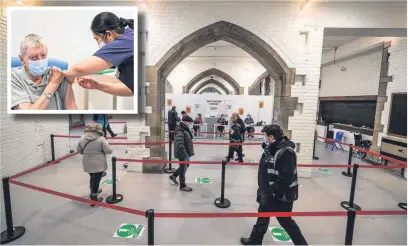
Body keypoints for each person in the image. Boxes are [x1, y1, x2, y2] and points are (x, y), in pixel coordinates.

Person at [240, 124, 307, 245]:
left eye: (265, 136)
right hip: (268, 192)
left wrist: (273, 191)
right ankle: (255, 240)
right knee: (263, 216)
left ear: (271, 137)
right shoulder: (272, 147)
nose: (264, 138)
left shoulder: (286, 152)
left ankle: (302, 244)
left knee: (285, 221)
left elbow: (285, 178)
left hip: (280, 195)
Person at [63, 12, 134, 96]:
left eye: (97, 39)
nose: (98, 44)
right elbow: (132, 89)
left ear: (109, 34)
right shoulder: (129, 35)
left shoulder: (124, 42)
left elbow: (80, 69)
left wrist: (63, 74)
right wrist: (97, 85)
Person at [11, 34, 78, 110]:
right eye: (33, 57)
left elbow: (74, 113)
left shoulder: (57, 75)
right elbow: (28, 116)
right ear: (22, 59)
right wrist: (53, 84)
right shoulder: (13, 78)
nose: (40, 60)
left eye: (43, 55)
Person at [77, 124, 113, 206]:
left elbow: (79, 150)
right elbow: (108, 151)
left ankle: (93, 191)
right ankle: (94, 197)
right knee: (97, 178)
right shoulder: (101, 139)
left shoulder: (82, 138)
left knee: (92, 177)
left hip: (86, 161)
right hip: (98, 162)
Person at [169, 118, 195, 192]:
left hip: (185, 152)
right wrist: (185, 153)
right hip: (182, 153)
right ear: (185, 122)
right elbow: (179, 143)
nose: (190, 124)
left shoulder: (184, 129)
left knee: (185, 165)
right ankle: (182, 186)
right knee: (183, 167)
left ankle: (173, 175)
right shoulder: (180, 130)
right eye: (189, 123)